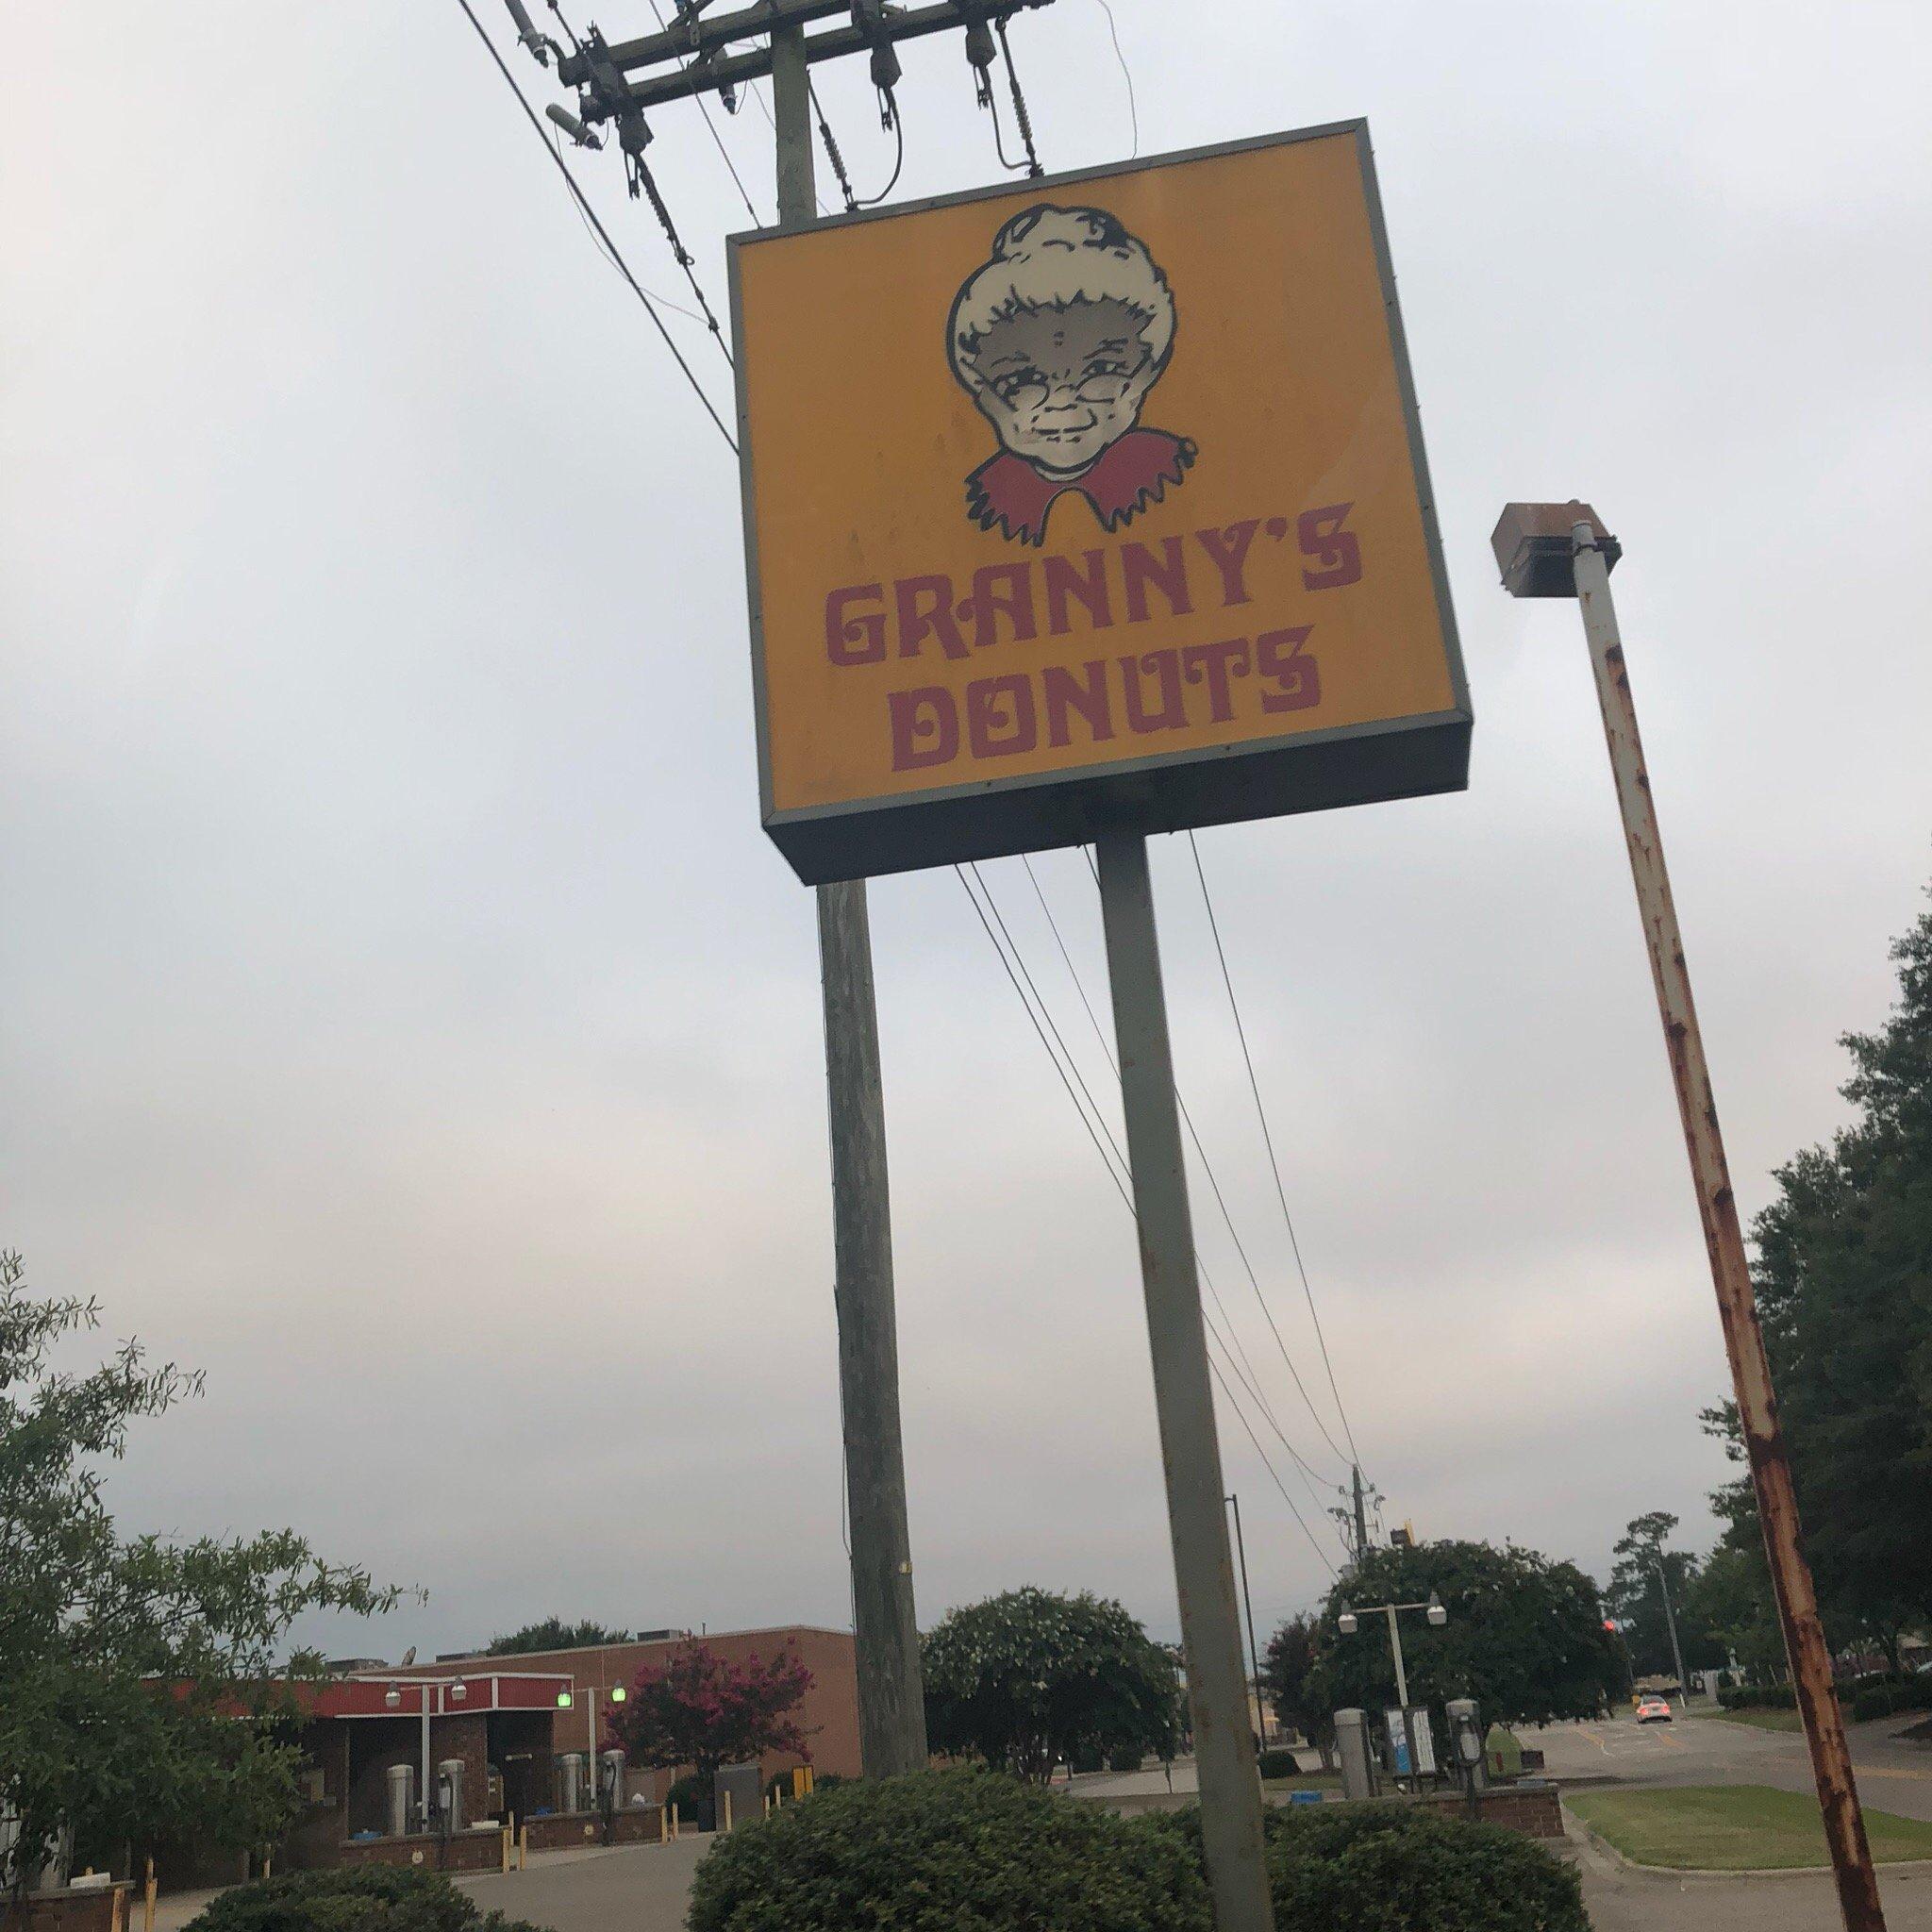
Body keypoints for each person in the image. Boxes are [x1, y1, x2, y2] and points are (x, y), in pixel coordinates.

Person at [947, 203, 1194, 546]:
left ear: (1148, 371)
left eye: (1101, 370)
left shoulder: (1173, 475)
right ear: (983, 392)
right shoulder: (985, 505)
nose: (1063, 404)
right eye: (1022, 382)